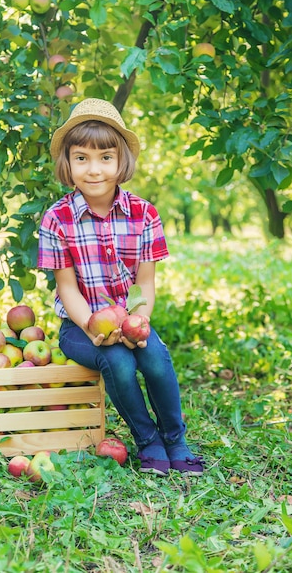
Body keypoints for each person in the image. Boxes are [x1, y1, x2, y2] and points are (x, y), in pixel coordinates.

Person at [38, 98, 204, 476]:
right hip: (79, 328)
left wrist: (139, 324)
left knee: (156, 360)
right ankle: (148, 441)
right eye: (81, 158)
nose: (94, 169)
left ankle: (175, 439)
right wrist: (93, 327)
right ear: (67, 163)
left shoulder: (144, 214)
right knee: (117, 362)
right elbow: (67, 289)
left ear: (121, 161)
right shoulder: (58, 219)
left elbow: (145, 283)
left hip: (132, 319)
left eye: (105, 158)